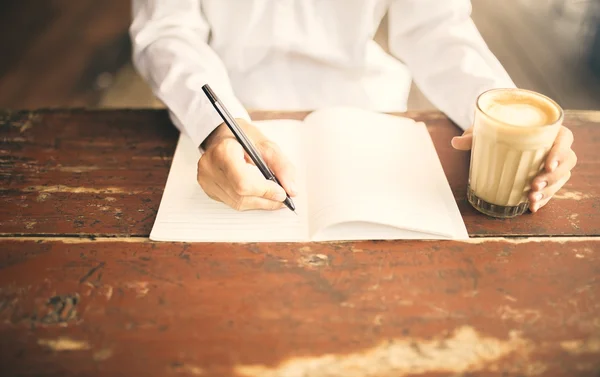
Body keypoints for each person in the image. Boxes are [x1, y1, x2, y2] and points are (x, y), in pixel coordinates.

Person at [130, 0, 577, 213]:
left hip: (369, 113)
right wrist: (219, 125)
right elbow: (167, 31)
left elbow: (435, 25)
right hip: (228, 108)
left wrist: (497, 109)